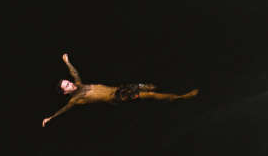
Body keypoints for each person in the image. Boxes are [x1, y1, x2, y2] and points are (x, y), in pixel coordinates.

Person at [42, 53, 198, 126]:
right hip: (117, 97)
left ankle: (163, 93)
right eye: (67, 86)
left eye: (68, 82)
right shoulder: (76, 99)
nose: (71, 84)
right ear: (66, 92)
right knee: (149, 94)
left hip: (118, 90)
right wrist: (51, 118)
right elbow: (64, 109)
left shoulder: (80, 84)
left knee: (145, 86)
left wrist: (67, 62)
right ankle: (180, 97)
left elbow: (74, 73)